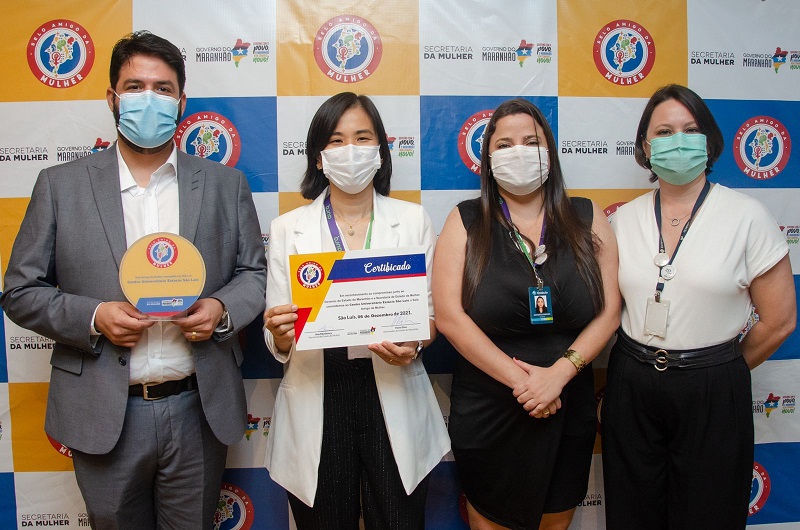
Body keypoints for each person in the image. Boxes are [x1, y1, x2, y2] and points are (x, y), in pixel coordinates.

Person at [0, 31, 267, 529]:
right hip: (105, 410)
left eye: (163, 89)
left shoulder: (224, 185)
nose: (150, 99)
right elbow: (20, 290)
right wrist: (94, 317)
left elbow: (255, 273)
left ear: (182, 102)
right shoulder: (60, 186)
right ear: (112, 98)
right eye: (136, 86)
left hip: (197, 408)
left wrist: (223, 311)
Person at [601, 84, 796, 529]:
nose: (678, 140)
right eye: (664, 131)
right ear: (645, 147)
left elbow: (780, 320)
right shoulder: (622, 219)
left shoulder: (747, 216)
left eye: (690, 130)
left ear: (708, 141)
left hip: (713, 385)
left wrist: (719, 370)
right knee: (632, 514)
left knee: (709, 516)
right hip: (632, 380)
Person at [262, 92, 450, 529]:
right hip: (318, 389)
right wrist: (281, 333)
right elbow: (276, 330)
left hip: (392, 386)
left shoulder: (413, 220)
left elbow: (428, 319)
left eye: (362, 138)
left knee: (399, 521)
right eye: (336, 140)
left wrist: (415, 341)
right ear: (318, 157)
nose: (351, 151)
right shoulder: (287, 228)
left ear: (381, 152)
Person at [432, 98, 621, 530]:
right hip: (490, 407)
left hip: (566, 400)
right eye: (505, 144)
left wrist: (559, 374)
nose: (518, 151)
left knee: (555, 522)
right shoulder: (465, 221)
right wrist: (525, 383)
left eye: (531, 141)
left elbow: (610, 311)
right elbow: (449, 317)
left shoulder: (588, 217)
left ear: (549, 154)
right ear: (489, 159)